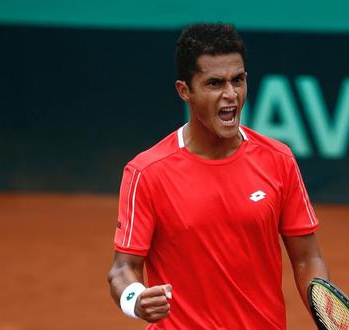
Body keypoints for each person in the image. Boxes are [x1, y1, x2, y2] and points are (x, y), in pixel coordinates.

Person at [107, 23, 329, 329]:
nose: (230, 95)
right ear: (185, 91)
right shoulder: (146, 172)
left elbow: (307, 259)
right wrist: (136, 298)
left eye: (237, 80)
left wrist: (327, 311)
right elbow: (122, 269)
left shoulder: (279, 160)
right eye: (214, 83)